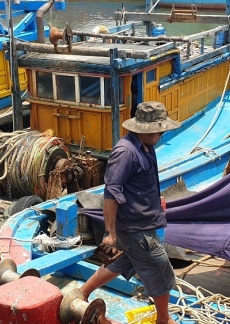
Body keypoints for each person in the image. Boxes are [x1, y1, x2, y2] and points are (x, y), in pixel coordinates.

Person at [80, 101, 180, 324]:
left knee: (123, 262)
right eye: (160, 129)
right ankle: (164, 319)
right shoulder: (126, 152)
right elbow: (111, 192)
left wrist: (155, 198)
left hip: (143, 222)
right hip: (136, 228)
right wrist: (110, 233)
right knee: (159, 268)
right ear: (147, 129)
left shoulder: (147, 147)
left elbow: (141, 182)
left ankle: (82, 292)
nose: (162, 133)